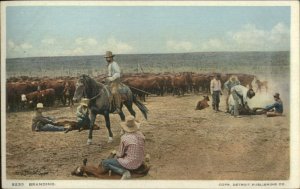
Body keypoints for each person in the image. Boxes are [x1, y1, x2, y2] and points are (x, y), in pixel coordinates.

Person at [101, 115, 145, 180]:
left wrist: (115, 153)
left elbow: (120, 155)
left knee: (105, 162)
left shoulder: (124, 138)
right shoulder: (141, 135)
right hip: (139, 162)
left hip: (129, 164)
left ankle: (124, 172)